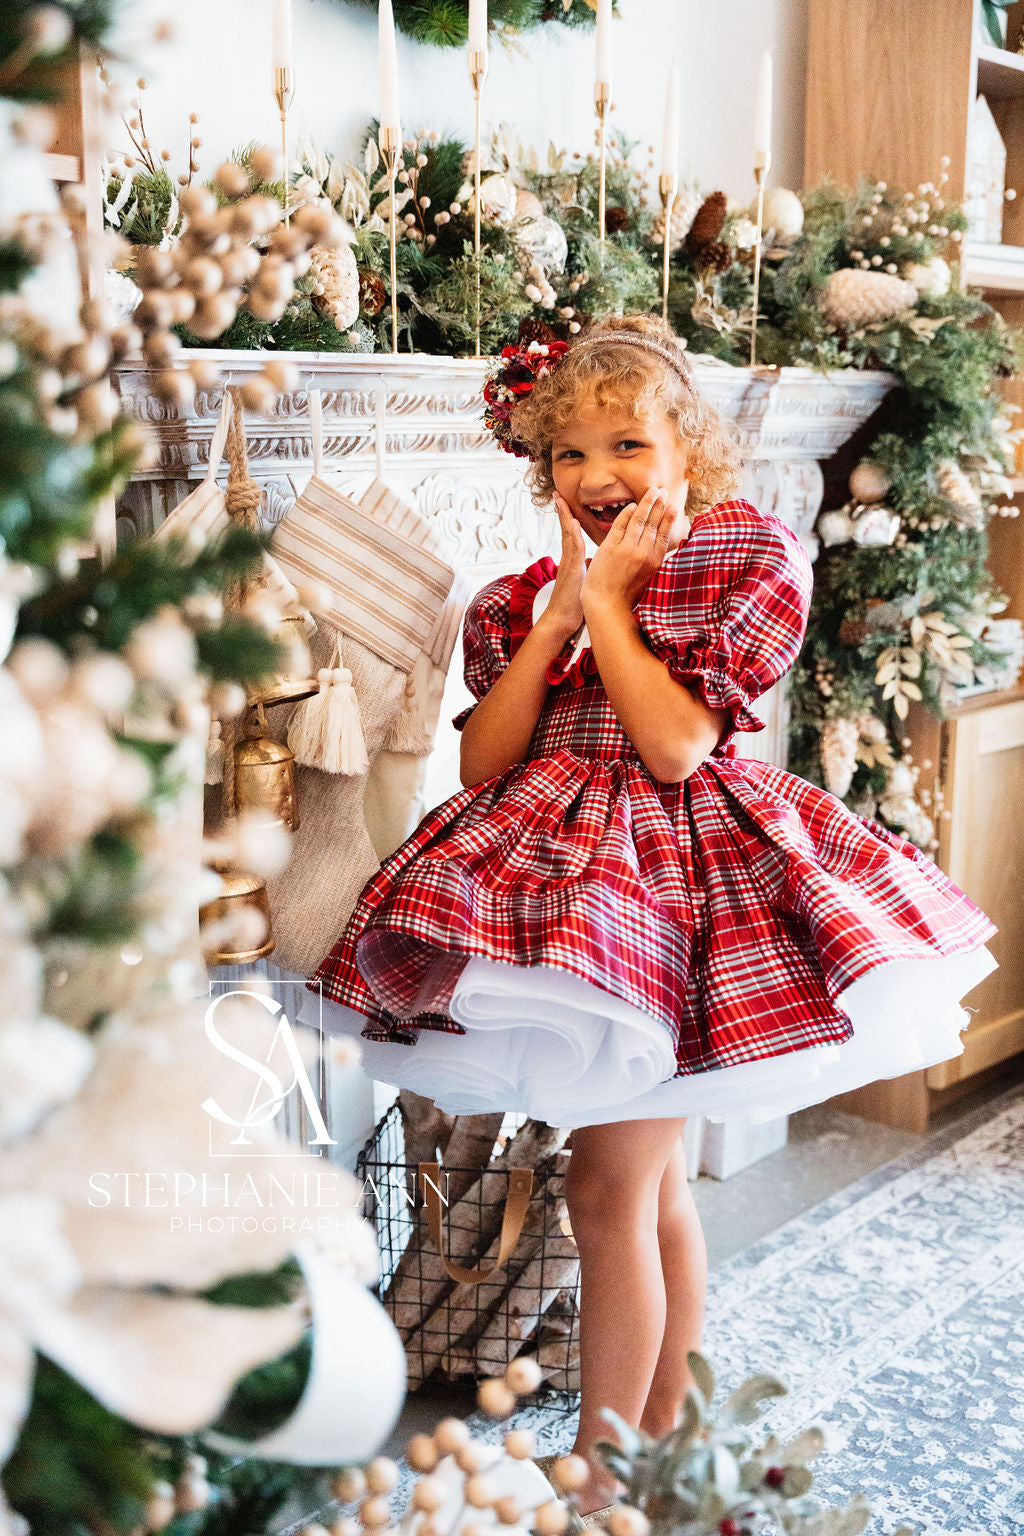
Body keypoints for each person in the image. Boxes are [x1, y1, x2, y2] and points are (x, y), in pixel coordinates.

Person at [306, 314, 998, 1523]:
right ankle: (657, 1464)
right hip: (559, 886)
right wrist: (563, 622)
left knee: (605, 1193)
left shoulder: (743, 555)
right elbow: (485, 766)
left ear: (692, 450)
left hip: (678, 893)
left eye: (627, 443)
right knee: (650, 1187)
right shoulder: (524, 596)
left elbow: (676, 748)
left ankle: (600, 1477)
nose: (596, 476)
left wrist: (617, 606)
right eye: (567, 455)